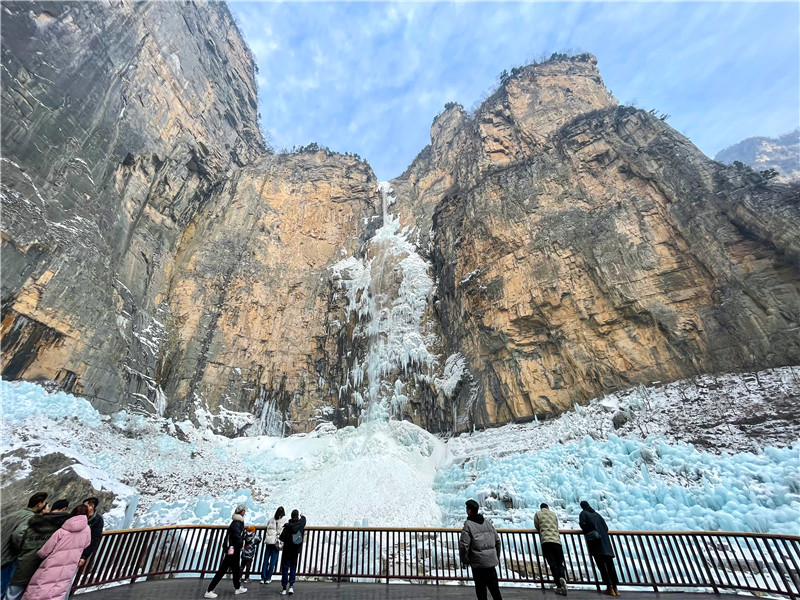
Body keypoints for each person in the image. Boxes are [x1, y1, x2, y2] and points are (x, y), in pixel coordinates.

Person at [20, 504, 91, 600]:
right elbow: (87, 543)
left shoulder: (62, 531)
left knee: (39, 590)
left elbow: (45, 551)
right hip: (70, 565)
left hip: (52, 563)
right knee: (58, 592)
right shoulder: (87, 529)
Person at [5, 500, 70, 600]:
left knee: (13, 593)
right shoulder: (63, 526)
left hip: (24, 563)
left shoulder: (33, 522)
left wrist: (21, 548)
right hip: (45, 570)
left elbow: (18, 535)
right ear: (64, 509)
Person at [1, 493, 48, 597]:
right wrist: (22, 549)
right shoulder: (30, 517)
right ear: (39, 504)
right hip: (7, 558)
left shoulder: (18, 513)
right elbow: (18, 534)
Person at [458, 499, 503, 600]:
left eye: (466, 509)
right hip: (491, 563)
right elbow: (497, 541)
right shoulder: (488, 523)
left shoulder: (468, 525)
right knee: (495, 590)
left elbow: (464, 546)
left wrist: (464, 560)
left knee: (481, 591)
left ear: (469, 511)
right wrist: (496, 557)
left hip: (478, 564)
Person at [204, 505, 247, 599]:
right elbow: (237, 537)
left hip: (232, 550)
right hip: (233, 550)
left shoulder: (236, 522)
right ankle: (209, 590)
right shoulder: (237, 523)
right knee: (223, 570)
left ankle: (237, 587)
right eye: (244, 510)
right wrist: (240, 546)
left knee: (235, 569)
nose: (245, 512)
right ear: (241, 512)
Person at [579, 501, 619, 597]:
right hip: (606, 544)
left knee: (602, 566)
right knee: (610, 566)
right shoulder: (597, 514)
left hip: (596, 544)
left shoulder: (583, 513)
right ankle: (616, 588)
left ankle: (609, 587)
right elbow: (605, 527)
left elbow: (583, 525)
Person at [534, 503, 567, 596]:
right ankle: (563, 578)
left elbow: (537, 526)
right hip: (557, 541)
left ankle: (559, 585)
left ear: (541, 508)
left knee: (552, 563)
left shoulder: (538, 514)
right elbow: (556, 525)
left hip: (546, 541)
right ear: (547, 508)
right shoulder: (553, 514)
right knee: (559, 563)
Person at [278, 509, 306, 595]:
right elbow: (304, 521)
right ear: (297, 516)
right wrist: (302, 516)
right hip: (295, 551)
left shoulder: (287, 526)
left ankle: (283, 588)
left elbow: (282, 538)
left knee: (285, 568)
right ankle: (291, 586)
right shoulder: (300, 525)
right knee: (293, 568)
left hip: (287, 550)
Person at [260, 507, 287, 585]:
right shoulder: (284, 520)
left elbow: (267, 529)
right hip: (275, 542)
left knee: (265, 560)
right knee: (273, 561)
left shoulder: (271, 520)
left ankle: (262, 578)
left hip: (268, 541)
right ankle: (268, 578)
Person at [77, 499, 103, 569]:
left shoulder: (98, 520)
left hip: (82, 549)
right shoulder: (78, 514)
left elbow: (94, 539)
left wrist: (84, 556)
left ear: (92, 506)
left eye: (85, 506)